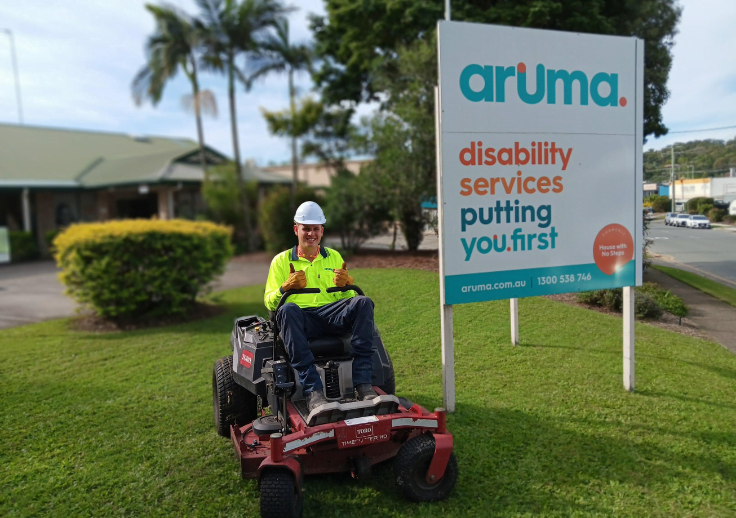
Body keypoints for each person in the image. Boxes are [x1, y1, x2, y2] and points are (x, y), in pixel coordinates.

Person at [264, 201, 378, 411]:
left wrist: (348, 285)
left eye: (315, 229)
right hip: (302, 319)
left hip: (332, 315)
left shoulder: (333, 256)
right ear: (296, 229)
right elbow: (270, 301)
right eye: (306, 228)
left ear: (322, 231)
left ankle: (363, 384)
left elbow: (348, 297)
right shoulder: (280, 262)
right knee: (287, 309)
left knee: (363, 302)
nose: (311, 234)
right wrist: (285, 288)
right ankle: (313, 391)